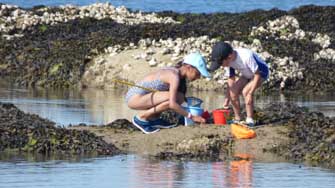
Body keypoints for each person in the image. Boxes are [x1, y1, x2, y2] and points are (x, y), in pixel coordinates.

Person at [125, 52, 210, 134]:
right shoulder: (174, 76)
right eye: (198, 73)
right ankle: (141, 118)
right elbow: (172, 104)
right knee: (174, 98)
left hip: (144, 97)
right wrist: (192, 117)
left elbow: (180, 99)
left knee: (179, 97)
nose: (199, 77)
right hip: (134, 98)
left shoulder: (177, 73)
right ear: (189, 67)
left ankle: (154, 119)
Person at [209, 41, 269, 127]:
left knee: (246, 92)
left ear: (229, 57)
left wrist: (251, 92)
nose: (221, 66)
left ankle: (250, 120)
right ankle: (238, 118)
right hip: (247, 74)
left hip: (261, 73)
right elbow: (230, 81)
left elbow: (257, 74)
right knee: (233, 92)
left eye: (221, 63)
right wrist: (227, 100)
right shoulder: (228, 62)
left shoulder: (246, 56)